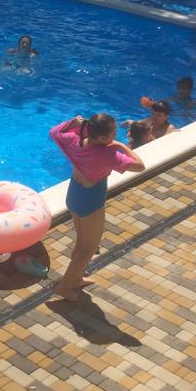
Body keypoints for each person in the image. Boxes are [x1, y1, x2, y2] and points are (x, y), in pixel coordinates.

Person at [49, 113, 145, 301]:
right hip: (90, 200)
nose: (115, 137)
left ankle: (75, 279)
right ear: (101, 137)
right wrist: (122, 146)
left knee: (82, 241)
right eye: (113, 134)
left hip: (74, 194)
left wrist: (73, 122)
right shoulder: (107, 154)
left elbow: (54, 132)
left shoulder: (74, 140)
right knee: (89, 248)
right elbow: (139, 166)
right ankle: (64, 287)